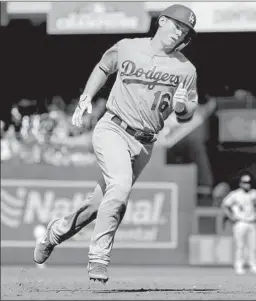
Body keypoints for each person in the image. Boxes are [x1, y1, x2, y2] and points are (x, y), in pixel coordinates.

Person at [33, 4, 198, 283]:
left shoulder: (186, 69)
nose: (180, 33)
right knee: (120, 187)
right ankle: (99, 256)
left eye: (185, 31)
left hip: (145, 144)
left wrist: (182, 109)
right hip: (113, 128)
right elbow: (103, 67)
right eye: (177, 25)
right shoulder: (128, 47)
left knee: (98, 205)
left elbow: (188, 111)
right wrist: (87, 96)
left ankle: (56, 232)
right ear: (162, 21)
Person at [221, 173, 256, 275]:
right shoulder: (235, 194)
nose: (246, 185)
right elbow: (225, 205)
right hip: (240, 222)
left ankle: (253, 265)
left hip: (251, 222)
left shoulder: (254, 193)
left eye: (248, 183)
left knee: (253, 246)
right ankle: (239, 266)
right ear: (240, 183)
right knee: (240, 246)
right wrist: (231, 217)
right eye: (244, 183)